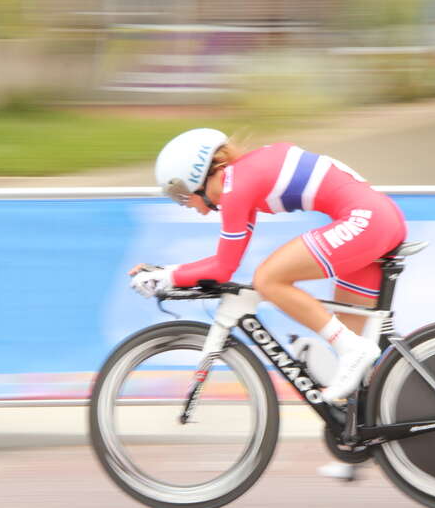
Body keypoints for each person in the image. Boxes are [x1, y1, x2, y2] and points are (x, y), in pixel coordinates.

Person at [129, 128, 407, 403]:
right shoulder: (243, 180)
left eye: (178, 193)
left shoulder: (236, 186)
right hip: (377, 219)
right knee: (356, 380)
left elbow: (223, 269)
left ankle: (353, 350)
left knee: (268, 279)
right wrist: (165, 273)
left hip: (367, 221)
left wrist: (167, 277)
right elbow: (223, 262)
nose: (183, 204)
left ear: (196, 176)